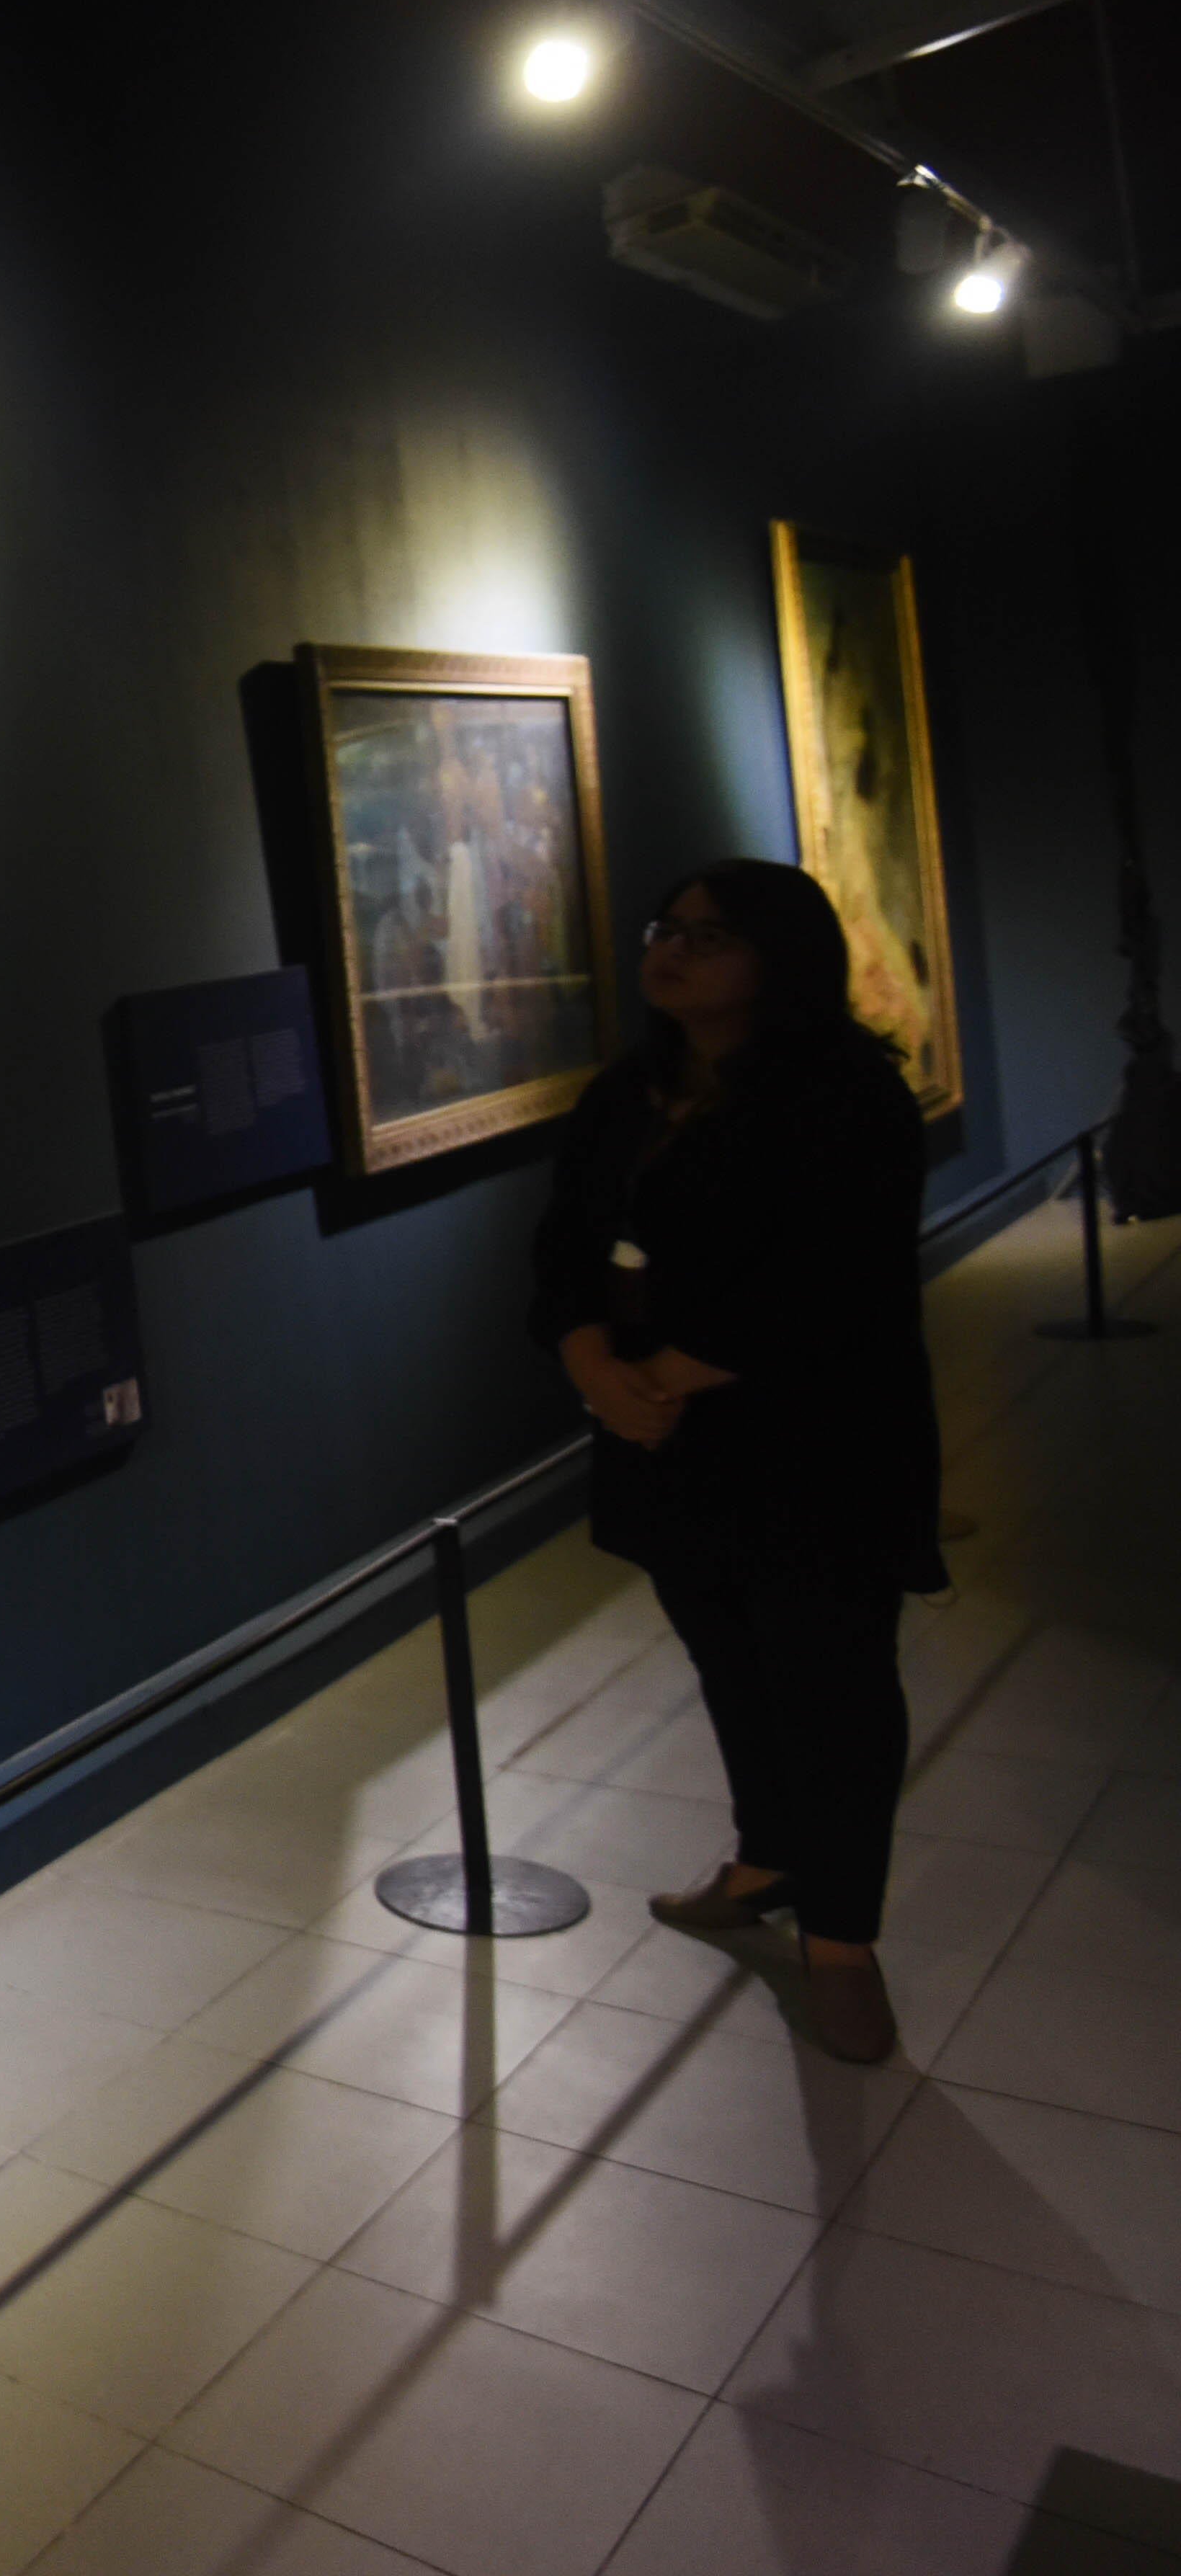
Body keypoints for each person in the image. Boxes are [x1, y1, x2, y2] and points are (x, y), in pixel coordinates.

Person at [531, 859, 941, 2066]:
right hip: (666, 1445)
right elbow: (562, 1247)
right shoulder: (628, 1094)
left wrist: (663, 1378)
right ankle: (766, 1860)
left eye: (708, 936)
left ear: (778, 955)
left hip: (815, 1445)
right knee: (730, 1660)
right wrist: (595, 1366)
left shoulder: (846, 1095)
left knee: (834, 1684)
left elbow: (839, 1274)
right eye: (667, 929)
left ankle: (843, 1941)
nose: (672, 951)